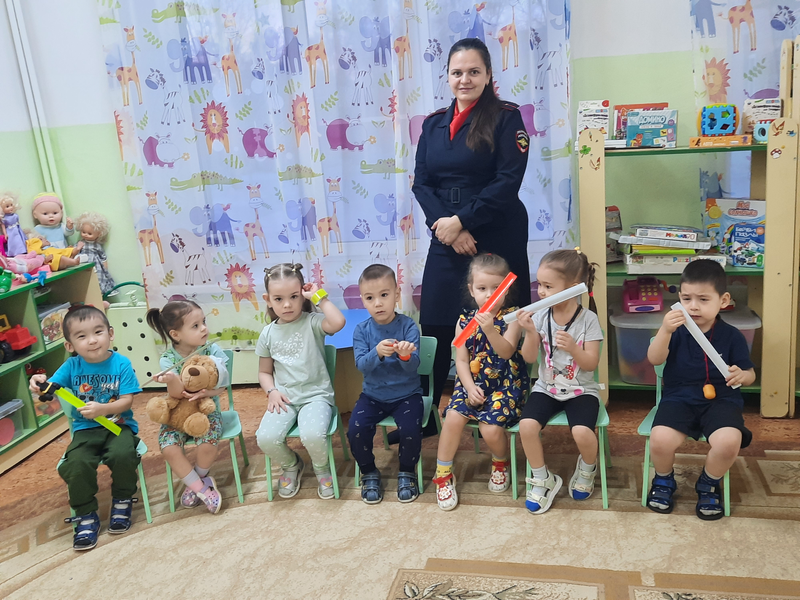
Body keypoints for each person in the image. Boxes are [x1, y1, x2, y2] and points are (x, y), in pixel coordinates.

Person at [408, 37, 531, 443]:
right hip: (445, 233)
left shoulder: (506, 118)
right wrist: (447, 227)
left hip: (496, 231)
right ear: (448, 76)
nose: (465, 79)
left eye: (474, 71)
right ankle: (425, 414)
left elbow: (507, 181)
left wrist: (464, 222)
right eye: (457, 72)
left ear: (488, 74)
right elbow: (421, 183)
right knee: (436, 321)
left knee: (502, 319)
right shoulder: (432, 124)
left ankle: (508, 403)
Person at [646, 260, 755, 520]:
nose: (693, 306)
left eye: (703, 299)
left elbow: (750, 374)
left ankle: (708, 482)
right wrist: (664, 330)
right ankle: (663, 479)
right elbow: (654, 359)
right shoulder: (674, 331)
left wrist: (743, 375)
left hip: (722, 401)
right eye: (686, 299)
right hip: (678, 399)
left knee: (729, 442)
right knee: (660, 439)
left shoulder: (733, 336)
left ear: (723, 300)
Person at [28, 306, 142, 551]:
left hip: (119, 427)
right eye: (82, 336)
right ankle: (85, 514)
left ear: (110, 333)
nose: (92, 340)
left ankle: (122, 500)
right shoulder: (71, 366)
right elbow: (49, 387)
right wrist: (38, 383)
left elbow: (127, 401)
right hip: (84, 431)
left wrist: (103, 409)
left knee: (123, 454)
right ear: (70, 345)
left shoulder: (121, 363)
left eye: (98, 332)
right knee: (76, 463)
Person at [433, 253, 528, 511]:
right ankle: (443, 474)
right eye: (482, 288)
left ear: (506, 289)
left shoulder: (513, 318)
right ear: (471, 289)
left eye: (496, 288)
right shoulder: (464, 322)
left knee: (490, 429)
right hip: (471, 385)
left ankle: (500, 462)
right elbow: (461, 361)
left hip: (506, 387)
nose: (489, 295)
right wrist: (468, 387)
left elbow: (506, 352)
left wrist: (489, 329)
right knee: (452, 418)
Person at [517, 248, 603, 515]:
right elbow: (528, 358)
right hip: (547, 388)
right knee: (527, 426)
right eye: (539, 285)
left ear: (573, 287)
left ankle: (587, 468)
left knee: (582, 432)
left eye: (548, 286)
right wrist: (530, 333)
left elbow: (591, 364)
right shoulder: (541, 316)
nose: (541, 292)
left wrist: (575, 349)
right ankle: (542, 477)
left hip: (582, 390)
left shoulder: (588, 320)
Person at [255, 263, 346, 499]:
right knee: (265, 438)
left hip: (316, 396)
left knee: (313, 435)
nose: (287, 304)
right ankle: (292, 465)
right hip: (284, 397)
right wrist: (272, 391)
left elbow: (338, 322)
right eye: (279, 298)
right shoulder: (267, 333)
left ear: (302, 295)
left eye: (294, 296)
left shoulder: (312, 321)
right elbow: (264, 372)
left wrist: (319, 296)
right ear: (268, 300)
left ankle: (321, 468)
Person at [348, 264, 424, 504]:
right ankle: (369, 472)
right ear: (362, 300)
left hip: (407, 394)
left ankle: (407, 472)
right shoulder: (361, 330)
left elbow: (414, 367)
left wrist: (405, 356)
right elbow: (361, 365)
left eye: (384, 295)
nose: (378, 303)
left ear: (397, 294)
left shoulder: (408, 326)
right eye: (370, 298)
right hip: (373, 396)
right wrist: (377, 352)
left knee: (410, 430)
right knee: (356, 430)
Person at [146, 301, 230, 514]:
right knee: (168, 447)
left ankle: (196, 481)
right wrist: (171, 379)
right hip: (177, 415)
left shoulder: (212, 349)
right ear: (175, 335)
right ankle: (202, 489)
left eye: (204, 322)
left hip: (206, 411)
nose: (204, 328)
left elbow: (223, 384)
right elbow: (177, 394)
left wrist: (206, 393)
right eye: (195, 326)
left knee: (208, 444)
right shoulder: (168, 359)